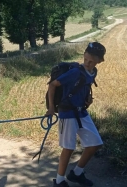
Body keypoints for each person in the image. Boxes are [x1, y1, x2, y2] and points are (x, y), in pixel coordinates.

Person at [46, 42, 106, 187]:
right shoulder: (75, 72)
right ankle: (59, 181)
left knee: (95, 143)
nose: (87, 63)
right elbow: (53, 85)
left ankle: (77, 173)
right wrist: (51, 107)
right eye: (85, 59)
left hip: (81, 112)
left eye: (91, 61)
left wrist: (87, 100)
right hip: (67, 113)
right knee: (68, 148)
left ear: (100, 61)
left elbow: (83, 87)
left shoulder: (93, 72)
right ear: (83, 56)